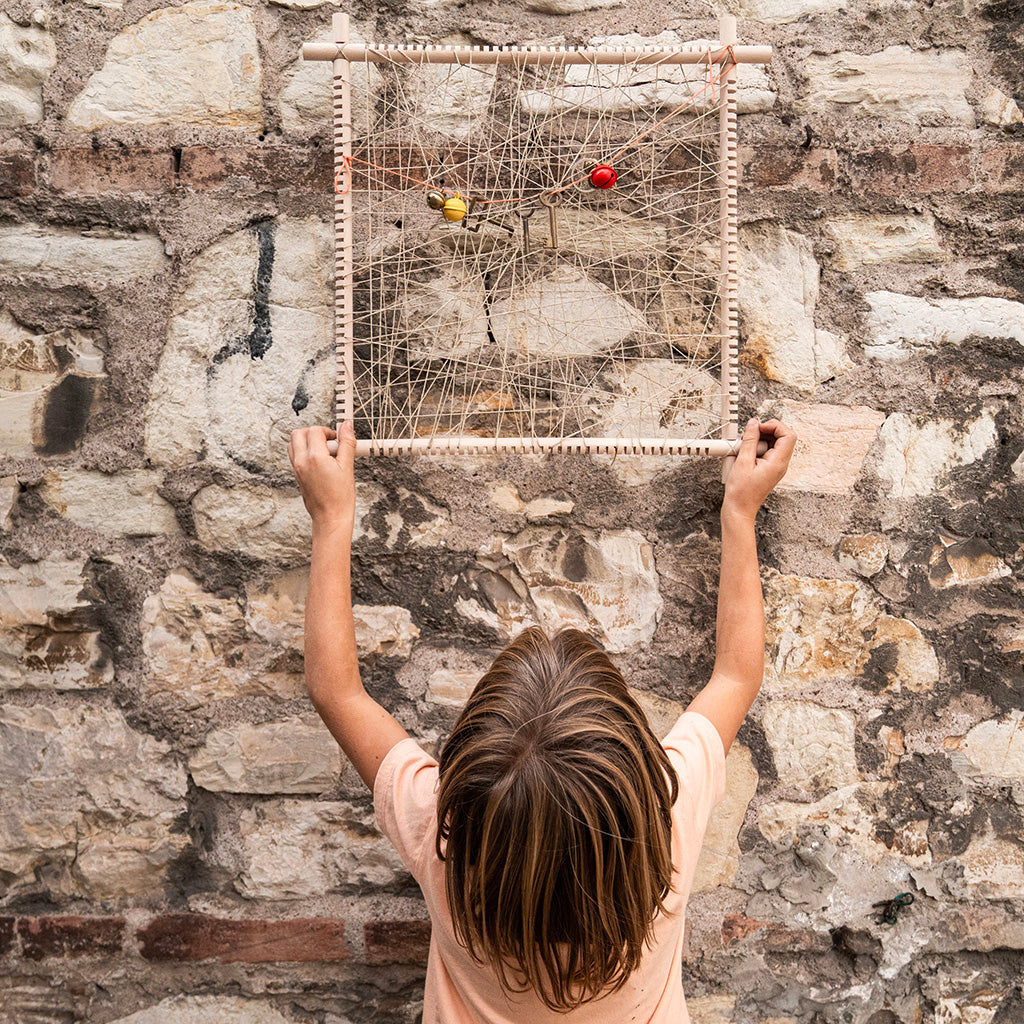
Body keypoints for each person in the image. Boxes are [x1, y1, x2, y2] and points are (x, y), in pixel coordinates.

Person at [288, 417, 796, 1023]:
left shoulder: (441, 835)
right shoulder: (668, 821)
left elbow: (337, 693)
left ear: (463, 776)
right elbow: (735, 677)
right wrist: (740, 511)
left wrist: (331, 518)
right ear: (635, 760)